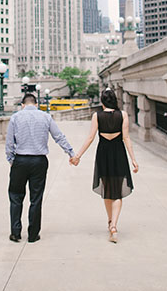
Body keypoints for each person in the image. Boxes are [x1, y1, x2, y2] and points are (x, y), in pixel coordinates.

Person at [5, 93, 75, 243]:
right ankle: (33, 234)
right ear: (36, 104)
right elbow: (59, 136)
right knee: (36, 198)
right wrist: (70, 152)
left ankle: (15, 232)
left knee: (16, 196)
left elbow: (9, 143)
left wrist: (11, 160)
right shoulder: (46, 117)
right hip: (39, 161)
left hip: (21, 160)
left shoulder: (15, 118)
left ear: (22, 105)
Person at [71, 88, 139, 243]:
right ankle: (113, 225)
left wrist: (77, 156)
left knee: (107, 189)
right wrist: (133, 159)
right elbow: (126, 138)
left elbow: (90, 138)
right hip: (119, 154)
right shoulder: (122, 115)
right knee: (118, 191)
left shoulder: (97, 116)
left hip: (103, 154)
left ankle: (110, 222)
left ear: (102, 102)